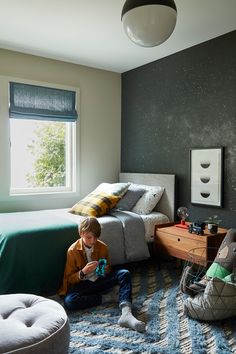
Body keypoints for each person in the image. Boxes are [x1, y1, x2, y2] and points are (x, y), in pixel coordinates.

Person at [59, 216, 146, 332]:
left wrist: (105, 270)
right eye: (89, 237)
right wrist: (83, 272)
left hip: (99, 281)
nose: (93, 241)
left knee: (124, 273)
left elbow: (107, 269)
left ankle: (126, 313)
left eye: (96, 238)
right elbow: (69, 279)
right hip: (84, 285)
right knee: (69, 301)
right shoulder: (72, 251)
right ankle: (108, 297)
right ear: (81, 234)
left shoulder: (102, 247)